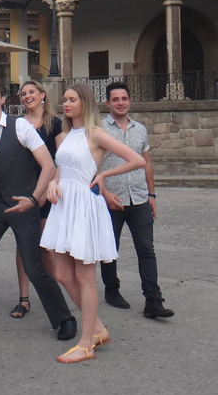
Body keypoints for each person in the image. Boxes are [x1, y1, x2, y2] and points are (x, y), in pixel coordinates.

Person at [0, 79, 75, 344]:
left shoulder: (20, 126)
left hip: (24, 202)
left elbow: (48, 165)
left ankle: (65, 319)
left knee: (34, 267)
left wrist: (34, 198)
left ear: (2, 101)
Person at [39, 84, 146, 364]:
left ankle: (86, 343)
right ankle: (97, 328)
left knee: (85, 276)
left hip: (85, 206)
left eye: (72, 99)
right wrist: (52, 183)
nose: (66, 104)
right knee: (61, 273)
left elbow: (137, 160)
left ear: (84, 103)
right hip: (64, 204)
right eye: (64, 100)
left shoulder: (96, 134)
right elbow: (61, 170)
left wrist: (105, 175)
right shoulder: (62, 137)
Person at [100, 82, 174, 319]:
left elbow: (147, 162)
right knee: (110, 250)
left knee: (147, 250)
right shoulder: (99, 130)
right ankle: (112, 290)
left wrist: (152, 194)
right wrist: (103, 192)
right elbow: (92, 166)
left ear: (129, 101)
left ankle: (153, 299)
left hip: (140, 198)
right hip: (112, 199)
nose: (120, 103)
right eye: (116, 99)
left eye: (124, 98)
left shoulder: (140, 129)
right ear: (108, 103)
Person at [13, 79, 64, 318]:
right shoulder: (18, 124)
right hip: (24, 190)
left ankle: (51, 296)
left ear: (42, 95)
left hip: (46, 191)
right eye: (23, 93)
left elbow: (60, 160)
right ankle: (24, 299)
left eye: (31, 92)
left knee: (45, 247)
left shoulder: (54, 123)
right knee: (23, 246)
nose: (26, 96)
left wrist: (47, 189)